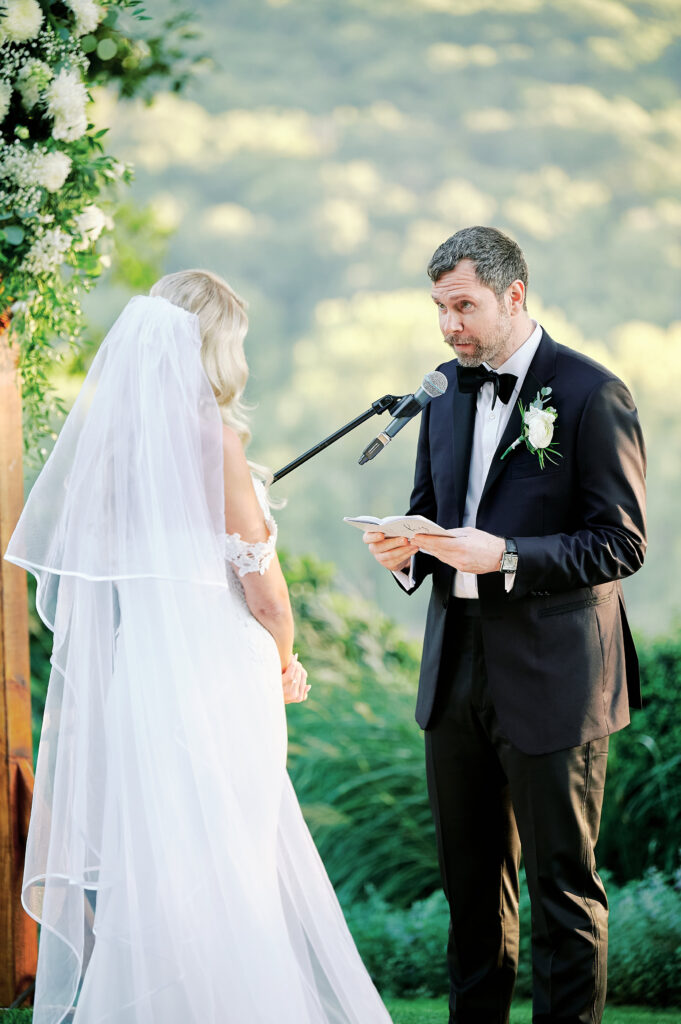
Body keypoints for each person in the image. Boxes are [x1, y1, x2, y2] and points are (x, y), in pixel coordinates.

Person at [5, 270, 393, 1024]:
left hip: (145, 668)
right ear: (213, 347)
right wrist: (285, 658)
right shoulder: (214, 437)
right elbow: (266, 593)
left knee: (158, 857)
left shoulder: (113, 449)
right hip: (220, 670)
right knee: (233, 860)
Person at [363, 226, 646, 1024]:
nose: (448, 325)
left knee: (562, 892)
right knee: (469, 895)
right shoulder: (445, 397)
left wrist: (508, 556)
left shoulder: (592, 393)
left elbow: (621, 542)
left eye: (463, 306)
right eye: (439, 308)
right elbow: (431, 515)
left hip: (556, 677)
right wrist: (403, 550)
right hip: (455, 673)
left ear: (513, 295)